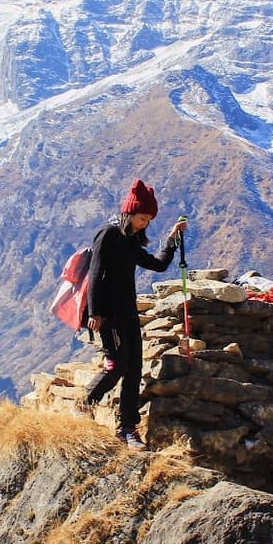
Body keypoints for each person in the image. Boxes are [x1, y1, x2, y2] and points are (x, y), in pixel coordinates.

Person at [84, 178, 187, 449]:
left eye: (148, 220)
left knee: (134, 371)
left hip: (128, 314)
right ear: (129, 212)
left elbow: (158, 265)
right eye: (142, 218)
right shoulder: (108, 234)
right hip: (109, 315)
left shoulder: (130, 242)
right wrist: (95, 312)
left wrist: (173, 239)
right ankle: (84, 404)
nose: (144, 224)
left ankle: (127, 429)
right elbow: (95, 273)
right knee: (117, 366)